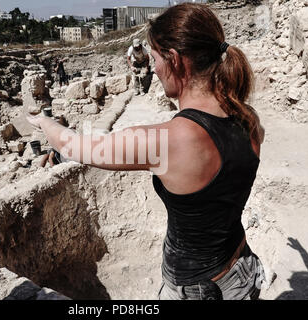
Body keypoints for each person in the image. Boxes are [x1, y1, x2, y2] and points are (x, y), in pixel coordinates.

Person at [27, 3, 266, 300]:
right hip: (242, 272)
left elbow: (70, 145)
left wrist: (43, 121)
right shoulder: (249, 119)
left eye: (154, 59)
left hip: (198, 290)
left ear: (175, 60)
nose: (153, 68)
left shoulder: (169, 142)